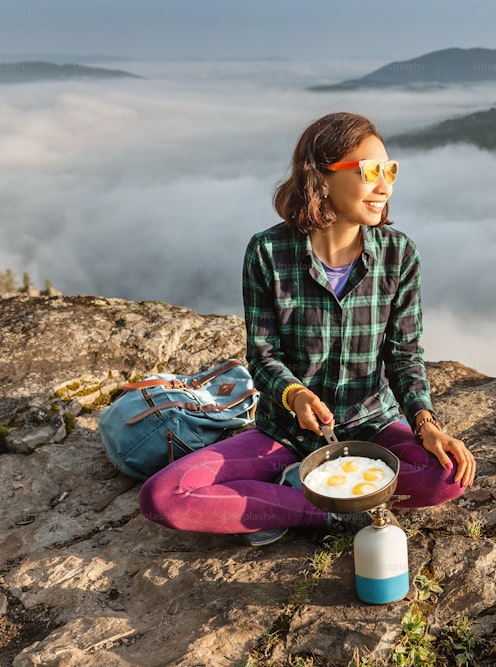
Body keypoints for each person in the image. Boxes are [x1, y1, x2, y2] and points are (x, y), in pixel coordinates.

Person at [139, 112, 476, 545]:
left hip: (371, 425)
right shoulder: (267, 252)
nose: (385, 185)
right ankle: (329, 509)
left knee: (449, 476)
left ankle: (289, 499)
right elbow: (262, 356)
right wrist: (294, 394)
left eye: (390, 171)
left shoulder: (399, 255)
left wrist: (426, 423)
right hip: (284, 434)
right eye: (370, 171)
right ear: (321, 177)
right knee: (165, 496)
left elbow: (404, 354)